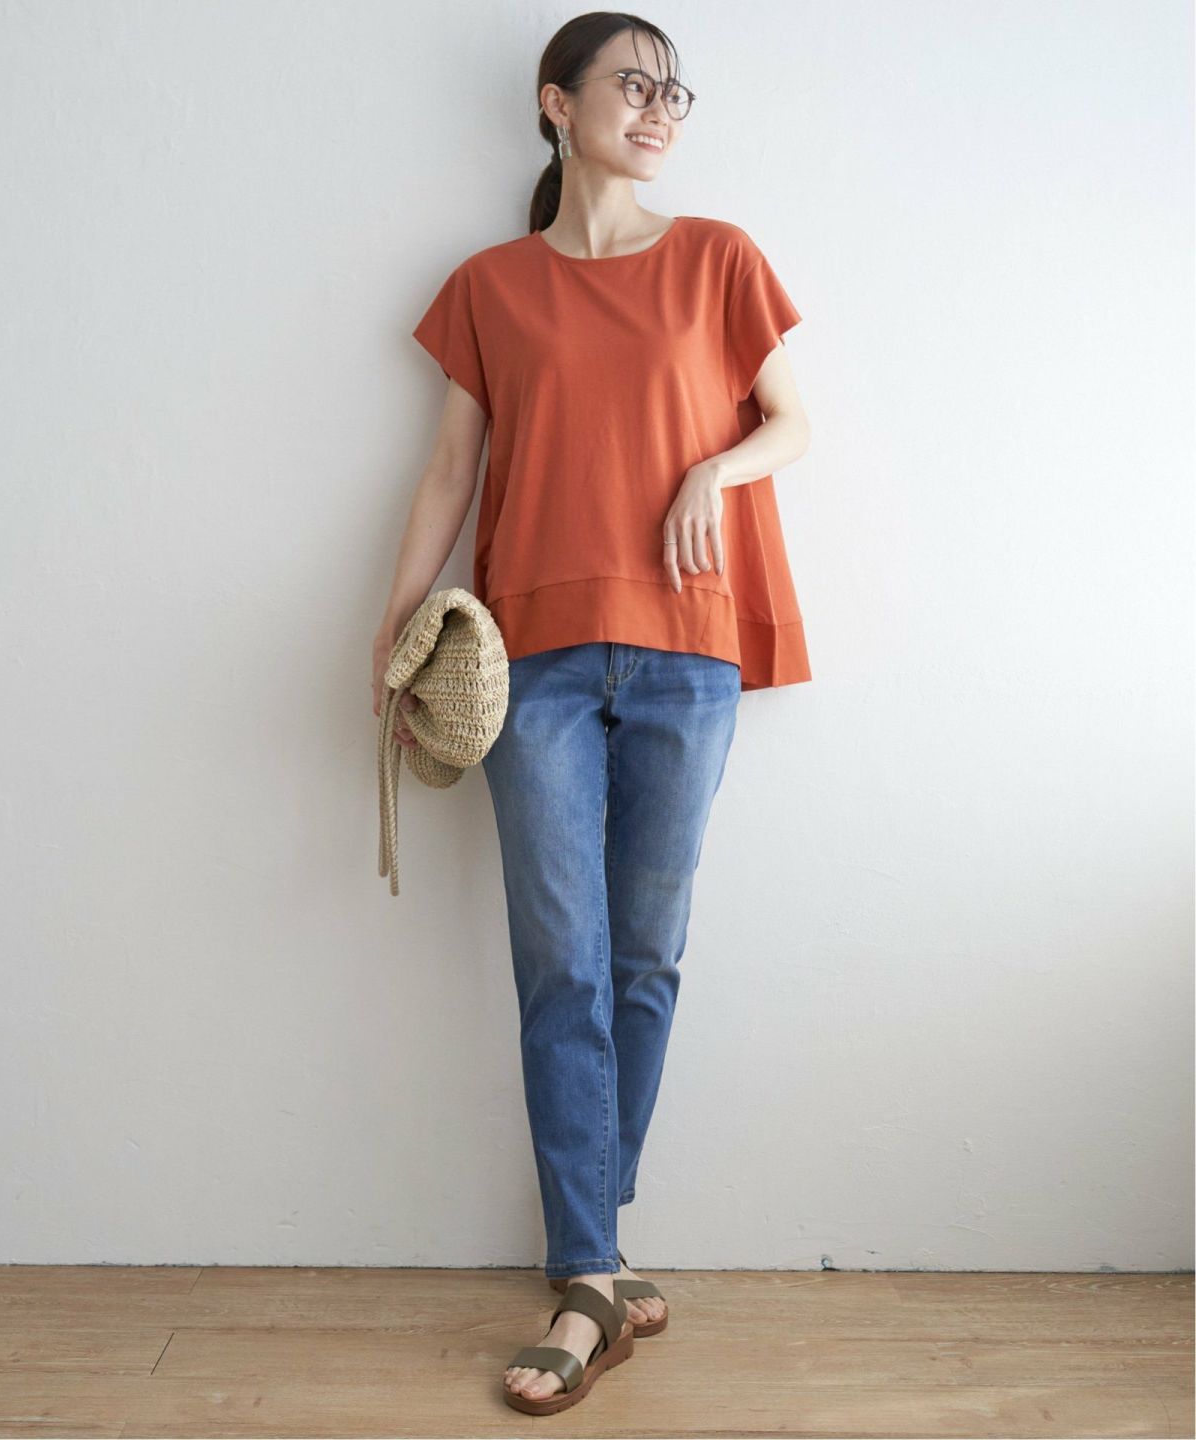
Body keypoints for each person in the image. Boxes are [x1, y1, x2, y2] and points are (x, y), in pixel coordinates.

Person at [370, 12, 812, 1413]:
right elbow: (451, 471)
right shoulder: (490, 286)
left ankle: (595, 1264)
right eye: (634, 83)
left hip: (687, 649)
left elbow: (794, 421)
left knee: (646, 959)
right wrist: (393, 625)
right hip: (535, 660)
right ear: (557, 105)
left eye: (675, 88)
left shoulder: (718, 258)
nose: (661, 106)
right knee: (562, 962)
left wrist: (713, 474)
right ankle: (589, 1278)